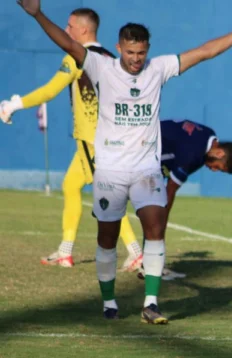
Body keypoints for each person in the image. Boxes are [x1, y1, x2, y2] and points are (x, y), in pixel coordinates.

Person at [16, 0, 232, 323]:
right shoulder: (101, 66)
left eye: (140, 53)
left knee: (155, 227)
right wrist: (38, 14)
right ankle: (109, 302)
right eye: (130, 52)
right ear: (118, 49)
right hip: (110, 170)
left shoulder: (159, 68)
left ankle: (151, 303)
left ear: (147, 50)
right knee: (107, 238)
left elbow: (205, 52)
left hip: (146, 171)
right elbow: (67, 43)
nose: (136, 59)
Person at [0, 7, 142, 271]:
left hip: (93, 140)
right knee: (71, 185)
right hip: (108, 139)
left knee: (108, 198)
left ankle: (135, 252)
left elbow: (49, 91)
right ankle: (65, 251)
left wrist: (14, 104)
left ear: (83, 30)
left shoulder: (77, 57)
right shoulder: (110, 58)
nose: (66, 31)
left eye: (69, 26)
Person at [140, 119, 232, 281]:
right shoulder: (193, 154)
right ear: (219, 154)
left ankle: (152, 264)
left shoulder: (209, 135)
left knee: (154, 213)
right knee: (156, 215)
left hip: (144, 145)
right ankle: (151, 266)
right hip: (138, 152)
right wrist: (161, 222)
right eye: (218, 167)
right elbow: (170, 190)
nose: (213, 170)